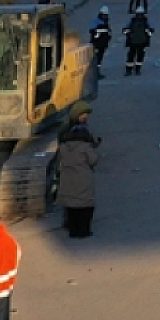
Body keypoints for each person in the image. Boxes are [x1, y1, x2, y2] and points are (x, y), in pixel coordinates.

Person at [58, 101, 100, 238]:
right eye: (84, 115)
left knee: (71, 206)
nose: (85, 117)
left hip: (67, 178)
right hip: (82, 179)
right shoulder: (85, 147)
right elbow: (93, 160)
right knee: (85, 206)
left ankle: (72, 230)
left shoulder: (64, 146)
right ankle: (84, 231)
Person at [123, 8, 153, 77]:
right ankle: (136, 70)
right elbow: (151, 31)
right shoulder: (146, 21)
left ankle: (130, 70)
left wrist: (129, 34)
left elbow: (125, 30)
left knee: (132, 56)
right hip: (141, 42)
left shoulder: (133, 21)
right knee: (138, 57)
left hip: (134, 42)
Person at [89, 6, 113, 79]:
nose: (105, 16)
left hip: (103, 44)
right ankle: (94, 73)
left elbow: (108, 33)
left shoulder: (104, 22)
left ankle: (97, 72)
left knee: (99, 59)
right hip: (96, 44)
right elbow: (92, 31)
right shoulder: (96, 22)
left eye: (106, 15)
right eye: (104, 15)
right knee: (95, 59)